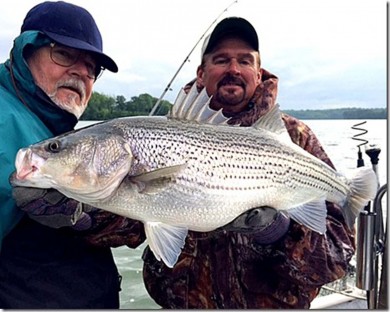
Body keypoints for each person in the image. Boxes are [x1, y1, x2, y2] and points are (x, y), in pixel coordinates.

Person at [142, 17, 356, 309]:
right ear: (201, 74)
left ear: (258, 73)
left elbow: (337, 255)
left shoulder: (295, 137)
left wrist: (278, 231)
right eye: (221, 60)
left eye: (244, 60)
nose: (233, 69)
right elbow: (125, 223)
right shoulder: (163, 134)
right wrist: (81, 214)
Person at [0, 1, 145, 308]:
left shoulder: (46, 125)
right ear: (26, 52)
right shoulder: (7, 116)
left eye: (92, 67)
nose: (81, 72)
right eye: (64, 54)